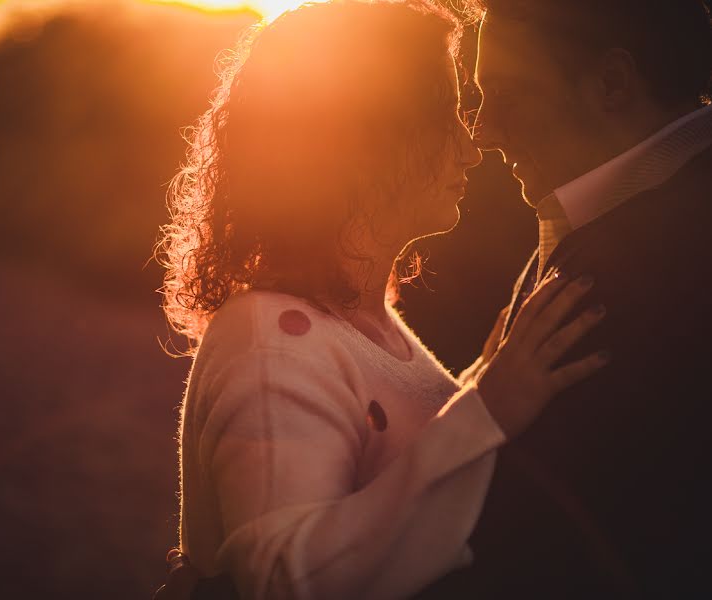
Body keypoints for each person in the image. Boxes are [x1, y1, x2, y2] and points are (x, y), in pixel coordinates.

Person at [154, 1, 607, 598]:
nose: (470, 149)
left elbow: (393, 476)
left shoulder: (368, 325)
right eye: (447, 115)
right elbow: (278, 578)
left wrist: (480, 385)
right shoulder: (271, 338)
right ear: (370, 137)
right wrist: (487, 411)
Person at [417, 0, 712, 597]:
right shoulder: (619, 217)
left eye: (506, 94)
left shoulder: (638, 265)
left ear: (611, 83)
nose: (485, 132)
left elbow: (529, 541)